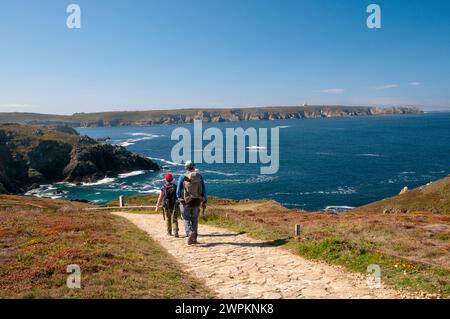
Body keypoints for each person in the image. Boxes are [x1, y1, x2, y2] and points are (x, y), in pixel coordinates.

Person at [176, 160, 207, 245]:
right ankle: (195, 239)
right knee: (194, 219)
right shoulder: (199, 176)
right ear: (194, 167)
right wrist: (204, 201)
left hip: (185, 201)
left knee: (186, 218)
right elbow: (203, 190)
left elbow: (178, 190)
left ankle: (189, 233)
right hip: (197, 201)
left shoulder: (182, 176)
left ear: (186, 167)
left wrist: (178, 198)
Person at [155, 173, 179, 237]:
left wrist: (157, 206)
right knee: (174, 219)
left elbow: (160, 197)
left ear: (165, 179)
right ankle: (176, 231)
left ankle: (169, 232)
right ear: (172, 179)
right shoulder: (175, 186)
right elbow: (178, 196)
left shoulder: (164, 187)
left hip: (166, 205)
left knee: (168, 218)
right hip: (174, 204)